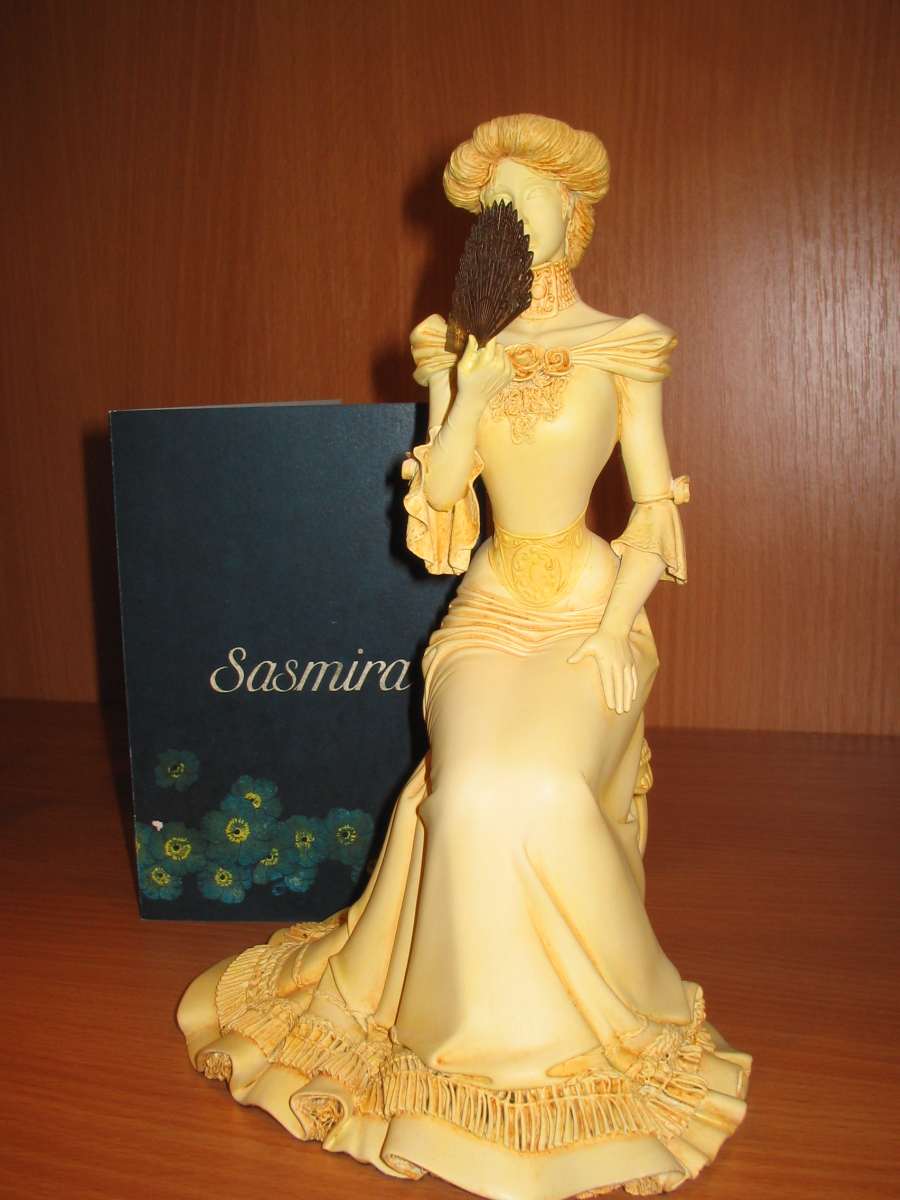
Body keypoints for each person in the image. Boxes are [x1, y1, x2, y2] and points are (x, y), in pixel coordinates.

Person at [177, 114, 751, 1199]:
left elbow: (652, 508)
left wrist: (614, 626)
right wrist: (471, 395)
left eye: (528, 202)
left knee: (547, 784)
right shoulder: (454, 344)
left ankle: (601, 1039)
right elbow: (436, 508)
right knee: (480, 785)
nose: (510, 221)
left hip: (591, 606)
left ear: (573, 215)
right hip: (487, 611)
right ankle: (460, 1055)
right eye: (496, 209)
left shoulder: (624, 345)